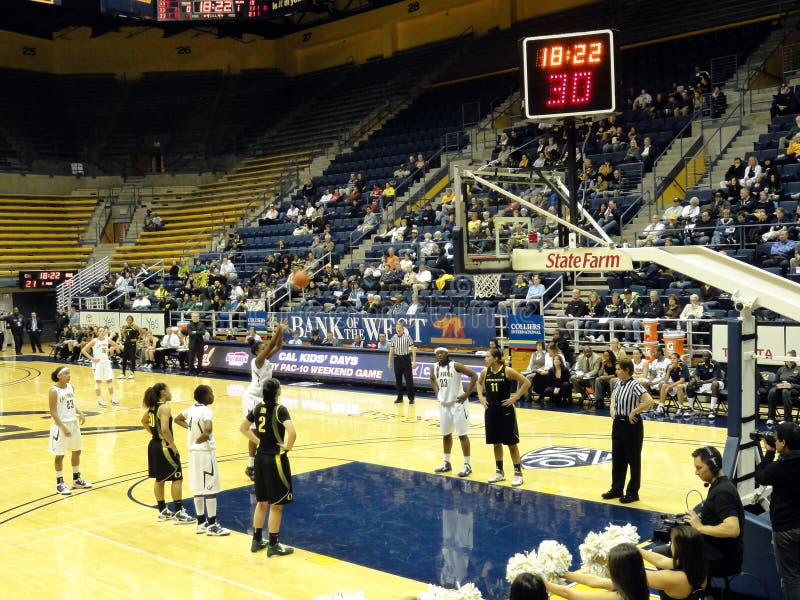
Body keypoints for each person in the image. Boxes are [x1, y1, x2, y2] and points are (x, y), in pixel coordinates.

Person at [240, 378, 296, 557]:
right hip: (275, 460)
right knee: (277, 505)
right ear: (277, 391)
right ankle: (273, 543)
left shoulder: (258, 408)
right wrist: (287, 448)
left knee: (262, 502)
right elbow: (292, 433)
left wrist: (258, 441)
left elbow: (243, 428)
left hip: (260, 458)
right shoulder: (280, 410)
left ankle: (256, 540)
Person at [174, 385, 231, 536]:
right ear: (205, 396)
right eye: (211, 393)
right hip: (205, 453)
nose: (213, 395)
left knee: (198, 488)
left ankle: (200, 523)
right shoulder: (207, 411)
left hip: (193, 454)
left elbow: (177, 419)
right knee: (210, 488)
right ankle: (212, 525)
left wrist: (191, 430)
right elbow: (208, 430)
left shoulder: (191, 409)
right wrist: (201, 438)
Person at [755, 421, 800, 599]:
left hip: (786, 529)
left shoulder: (778, 468)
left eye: (776, 439)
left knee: (791, 577)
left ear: (783, 443)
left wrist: (769, 453)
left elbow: (761, 477)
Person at [685, 446, 744, 578]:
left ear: (713, 466)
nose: (696, 472)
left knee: (667, 555)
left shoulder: (721, 492)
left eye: (699, 468)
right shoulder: (722, 485)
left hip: (721, 559)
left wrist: (700, 527)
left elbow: (733, 529)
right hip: (719, 553)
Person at [141, 383, 195, 524]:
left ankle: (163, 511)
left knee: (160, 479)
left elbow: (144, 421)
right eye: (169, 390)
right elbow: (165, 429)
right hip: (164, 447)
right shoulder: (164, 407)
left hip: (154, 445)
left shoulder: (152, 407)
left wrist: (154, 434)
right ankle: (179, 512)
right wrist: (173, 445)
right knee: (177, 478)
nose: (171, 392)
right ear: (163, 392)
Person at [602, 359, 654, 504]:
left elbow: (649, 401)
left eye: (619, 369)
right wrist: (612, 408)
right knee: (618, 458)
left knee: (633, 459)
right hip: (617, 423)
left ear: (626, 370)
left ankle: (632, 492)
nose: (616, 371)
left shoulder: (634, 384)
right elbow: (613, 396)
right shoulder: (618, 382)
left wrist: (634, 412)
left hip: (631, 425)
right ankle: (616, 489)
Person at [477, 347, 530, 486]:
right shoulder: (485, 371)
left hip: (505, 410)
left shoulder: (507, 370)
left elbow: (526, 382)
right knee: (495, 442)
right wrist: (481, 397)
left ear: (495, 359)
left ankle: (518, 473)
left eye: (487, 356)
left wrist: (516, 397)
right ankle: (499, 471)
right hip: (491, 410)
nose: (485, 358)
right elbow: (478, 382)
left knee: (511, 443)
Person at [242, 324, 287, 481]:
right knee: (254, 432)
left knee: (263, 430)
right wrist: (278, 330)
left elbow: (278, 345)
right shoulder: (257, 361)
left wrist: (281, 332)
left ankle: (259, 461)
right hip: (252, 398)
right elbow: (272, 344)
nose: (265, 349)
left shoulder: (265, 359)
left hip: (262, 398)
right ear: (257, 352)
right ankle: (250, 466)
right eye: (263, 347)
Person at [431, 347, 478, 478]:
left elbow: (474, 375)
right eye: (437, 353)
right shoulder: (434, 367)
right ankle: (446, 462)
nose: (439, 355)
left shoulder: (455, 365)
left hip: (458, 404)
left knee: (462, 435)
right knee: (446, 435)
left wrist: (466, 394)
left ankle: (467, 465)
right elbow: (432, 379)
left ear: (447, 354)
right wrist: (437, 394)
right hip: (444, 405)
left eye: (441, 353)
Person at [545, 542, 651, 600]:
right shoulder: (636, 584)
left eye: (609, 564)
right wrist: (565, 574)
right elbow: (594, 581)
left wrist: (542, 582)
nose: (607, 565)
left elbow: (570, 595)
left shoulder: (616, 597)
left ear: (617, 571)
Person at [48, 366, 92, 495]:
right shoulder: (53, 391)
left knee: (77, 451)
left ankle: (76, 479)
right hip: (61, 426)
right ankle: (59, 483)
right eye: (66, 374)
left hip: (73, 423)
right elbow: (53, 411)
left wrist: (80, 412)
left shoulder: (70, 387)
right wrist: (62, 427)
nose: (69, 375)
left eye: (69, 373)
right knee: (60, 455)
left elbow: (71, 403)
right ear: (59, 376)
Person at [639, 525, 707, 599]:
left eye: (671, 542)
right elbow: (661, 560)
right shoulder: (698, 563)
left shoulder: (670, 578)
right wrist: (635, 549)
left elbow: (636, 575)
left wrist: (626, 553)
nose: (670, 545)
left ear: (678, 549)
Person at [81, 326, 122, 408]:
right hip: (98, 363)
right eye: (100, 331)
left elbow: (117, 346)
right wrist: (92, 358)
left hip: (106, 363)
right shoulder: (94, 341)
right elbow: (83, 350)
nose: (102, 332)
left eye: (103, 331)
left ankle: (112, 399)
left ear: (105, 332)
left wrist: (110, 350)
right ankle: (99, 401)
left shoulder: (107, 339)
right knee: (98, 382)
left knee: (109, 380)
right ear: (98, 332)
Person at [686, 350, 724, 420]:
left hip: (717, 382)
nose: (705, 357)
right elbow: (696, 374)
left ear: (710, 357)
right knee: (690, 384)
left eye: (707, 356)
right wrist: (697, 380)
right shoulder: (700, 363)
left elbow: (716, 378)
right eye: (703, 356)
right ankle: (691, 409)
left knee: (715, 384)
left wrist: (703, 382)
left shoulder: (715, 364)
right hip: (704, 383)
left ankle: (712, 410)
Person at [766, 350, 800, 427]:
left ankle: (787, 419)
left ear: (793, 359)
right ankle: (771, 418)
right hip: (781, 389)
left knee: (785, 391)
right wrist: (778, 385)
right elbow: (773, 383)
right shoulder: (781, 369)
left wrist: (790, 385)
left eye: (787, 357)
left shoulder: (798, 370)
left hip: (793, 390)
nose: (785, 358)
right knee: (772, 391)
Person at [387, 320, 416, 404]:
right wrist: (389, 361)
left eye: (400, 328)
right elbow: (391, 350)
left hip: (406, 359)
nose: (398, 329)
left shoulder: (407, 337)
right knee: (398, 379)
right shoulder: (394, 338)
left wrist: (414, 360)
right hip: (397, 359)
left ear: (403, 329)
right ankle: (400, 398)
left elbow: (413, 349)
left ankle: (411, 398)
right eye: (397, 328)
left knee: (408, 379)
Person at [660, 352, 690, 417]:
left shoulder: (683, 366)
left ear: (678, 359)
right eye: (671, 359)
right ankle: (661, 406)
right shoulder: (669, 366)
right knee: (664, 385)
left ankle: (680, 408)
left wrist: (670, 386)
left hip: (685, 385)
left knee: (679, 386)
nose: (672, 360)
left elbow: (682, 381)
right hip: (675, 384)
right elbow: (665, 381)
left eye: (674, 358)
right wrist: (668, 370)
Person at [118, 315, 143, 379]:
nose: (129, 320)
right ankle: (123, 373)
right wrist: (123, 333)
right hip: (126, 343)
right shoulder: (125, 326)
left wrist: (136, 339)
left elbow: (142, 332)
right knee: (124, 358)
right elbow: (122, 334)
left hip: (132, 343)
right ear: (126, 320)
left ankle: (132, 373)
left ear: (132, 320)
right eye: (128, 319)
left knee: (132, 357)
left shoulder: (135, 326)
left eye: (130, 319)